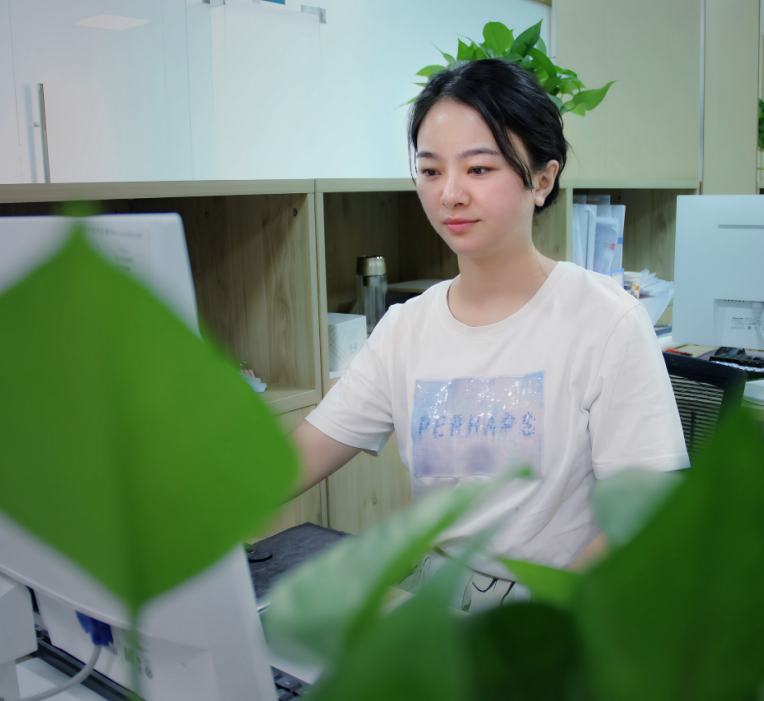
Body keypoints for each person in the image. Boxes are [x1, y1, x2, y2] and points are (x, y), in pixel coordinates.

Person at [291, 58, 688, 609]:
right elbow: (295, 459)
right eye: (431, 171)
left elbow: (643, 512)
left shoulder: (605, 320)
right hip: (438, 598)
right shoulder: (407, 327)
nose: (450, 194)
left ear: (542, 180)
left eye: (479, 169)